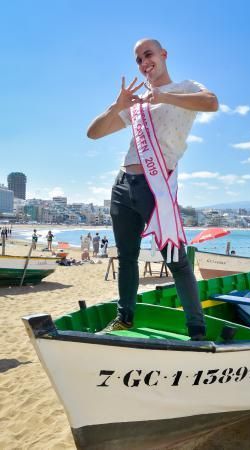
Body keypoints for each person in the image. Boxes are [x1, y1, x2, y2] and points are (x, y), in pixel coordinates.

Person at [87, 38, 218, 340]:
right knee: (127, 256)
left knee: (175, 258)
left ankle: (197, 330)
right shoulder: (137, 103)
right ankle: (125, 318)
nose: (144, 62)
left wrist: (165, 97)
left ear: (163, 55)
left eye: (148, 54)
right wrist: (115, 107)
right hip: (123, 184)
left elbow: (211, 102)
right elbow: (93, 134)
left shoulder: (185, 87)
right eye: (138, 59)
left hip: (155, 185)